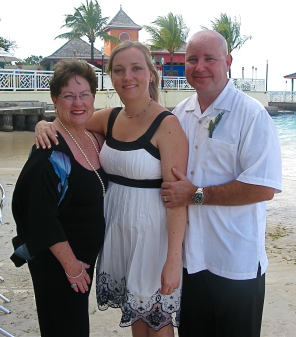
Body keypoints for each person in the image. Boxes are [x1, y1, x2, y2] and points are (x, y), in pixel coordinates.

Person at [35, 41, 188, 337]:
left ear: (151, 74)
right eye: (119, 70)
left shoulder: (167, 125)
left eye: (135, 68)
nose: (127, 76)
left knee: (158, 324)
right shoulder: (111, 117)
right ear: (111, 77)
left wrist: (172, 260)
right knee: (137, 320)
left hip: (152, 236)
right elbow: (69, 120)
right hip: (119, 232)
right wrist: (43, 124)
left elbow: (177, 198)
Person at [160, 30, 282, 336]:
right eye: (192, 59)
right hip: (192, 261)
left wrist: (196, 195)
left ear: (227, 62)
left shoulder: (251, 114)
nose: (200, 66)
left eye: (209, 59)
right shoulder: (180, 114)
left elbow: (263, 187)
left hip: (235, 264)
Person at [10, 59, 108, 336]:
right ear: (55, 100)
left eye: (84, 94)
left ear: (94, 97)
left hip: (82, 262)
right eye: (68, 96)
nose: (78, 102)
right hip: (60, 266)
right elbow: (40, 216)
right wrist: (72, 267)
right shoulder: (50, 151)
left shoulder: (92, 136)